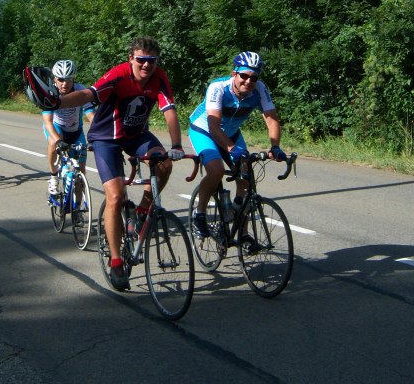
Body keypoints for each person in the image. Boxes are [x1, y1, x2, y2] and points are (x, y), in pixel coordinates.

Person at [48, 37, 185, 291]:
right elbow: (88, 94)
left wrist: (176, 145)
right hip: (106, 138)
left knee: (165, 164)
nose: (146, 65)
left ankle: (143, 211)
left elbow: (170, 112)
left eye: (151, 61)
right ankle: (116, 261)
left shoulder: (160, 77)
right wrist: (57, 102)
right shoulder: (118, 75)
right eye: (141, 60)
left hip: (136, 136)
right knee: (116, 196)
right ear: (131, 58)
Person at [187, 51, 289, 239]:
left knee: (246, 177)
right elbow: (214, 126)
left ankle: (242, 230)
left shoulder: (259, 89)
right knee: (216, 170)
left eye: (254, 77)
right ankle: (199, 213)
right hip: (204, 131)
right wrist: (232, 149)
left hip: (232, 133)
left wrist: (275, 146)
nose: (248, 81)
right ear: (235, 73)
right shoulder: (218, 87)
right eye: (244, 75)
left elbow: (272, 120)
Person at [42, 59, 94, 196]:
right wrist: (59, 141)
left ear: (73, 79)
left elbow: (92, 116)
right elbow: (47, 121)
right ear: (55, 79)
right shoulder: (50, 92)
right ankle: (53, 177)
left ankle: (78, 210)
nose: (65, 84)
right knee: (53, 142)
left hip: (75, 131)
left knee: (80, 172)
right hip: (56, 127)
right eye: (61, 80)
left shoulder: (80, 90)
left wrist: (96, 137)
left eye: (69, 80)